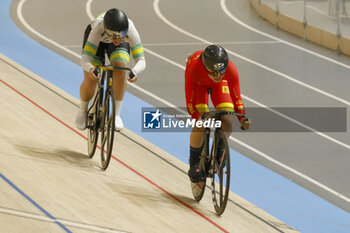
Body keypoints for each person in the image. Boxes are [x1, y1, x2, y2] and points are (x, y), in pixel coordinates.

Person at [185, 44, 250, 183]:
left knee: (227, 119)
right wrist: (197, 117)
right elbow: (190, 101)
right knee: (201, 122)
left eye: (221, 71)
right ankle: (194, 163)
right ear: (205, 67)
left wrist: (242, 118)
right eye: (214, 72)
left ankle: (219, 153)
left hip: (219, 88)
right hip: (199, 85)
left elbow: (236, 97)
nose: (218, 75)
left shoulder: (230, 70)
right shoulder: (194, 69)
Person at [75, 8, 146, 131]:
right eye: (114, 36)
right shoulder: (97, 28)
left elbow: (141, 60)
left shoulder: (130, 29)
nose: (118, 40)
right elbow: (85, 60)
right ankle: (82, 110)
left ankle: (116, 114)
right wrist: (91, 69)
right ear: (107, 30)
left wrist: (134, 71)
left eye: (121, 36)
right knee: (90, 78)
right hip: (98, 42)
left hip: (112, 44)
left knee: (121, 68)